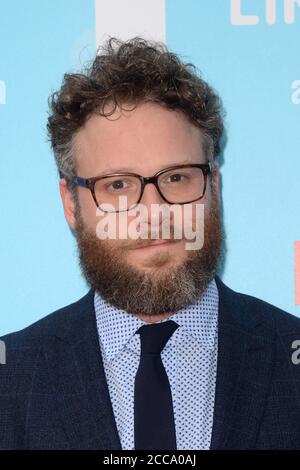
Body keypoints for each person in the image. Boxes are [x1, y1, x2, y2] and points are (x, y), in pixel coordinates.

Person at [1, 36, 300, 451]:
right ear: (71, 203)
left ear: (214, 185)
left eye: (177, 177)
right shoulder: (11, 380)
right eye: (118, 185)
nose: (153, 213)